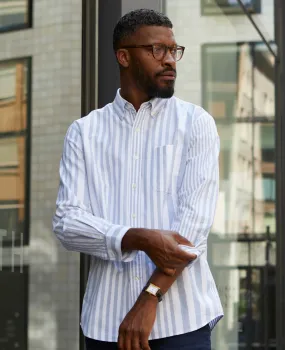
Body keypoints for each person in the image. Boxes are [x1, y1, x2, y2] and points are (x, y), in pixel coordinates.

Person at [53, 8, 223, 350]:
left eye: (174, 50)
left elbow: (191, 233)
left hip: (181, 324)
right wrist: (137, 237)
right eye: (156, 50)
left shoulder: (195, 123)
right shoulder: (84, 132)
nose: (170, 60)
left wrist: (150, 297)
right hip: (104, 323)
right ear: (124, 56)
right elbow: (67, 223)